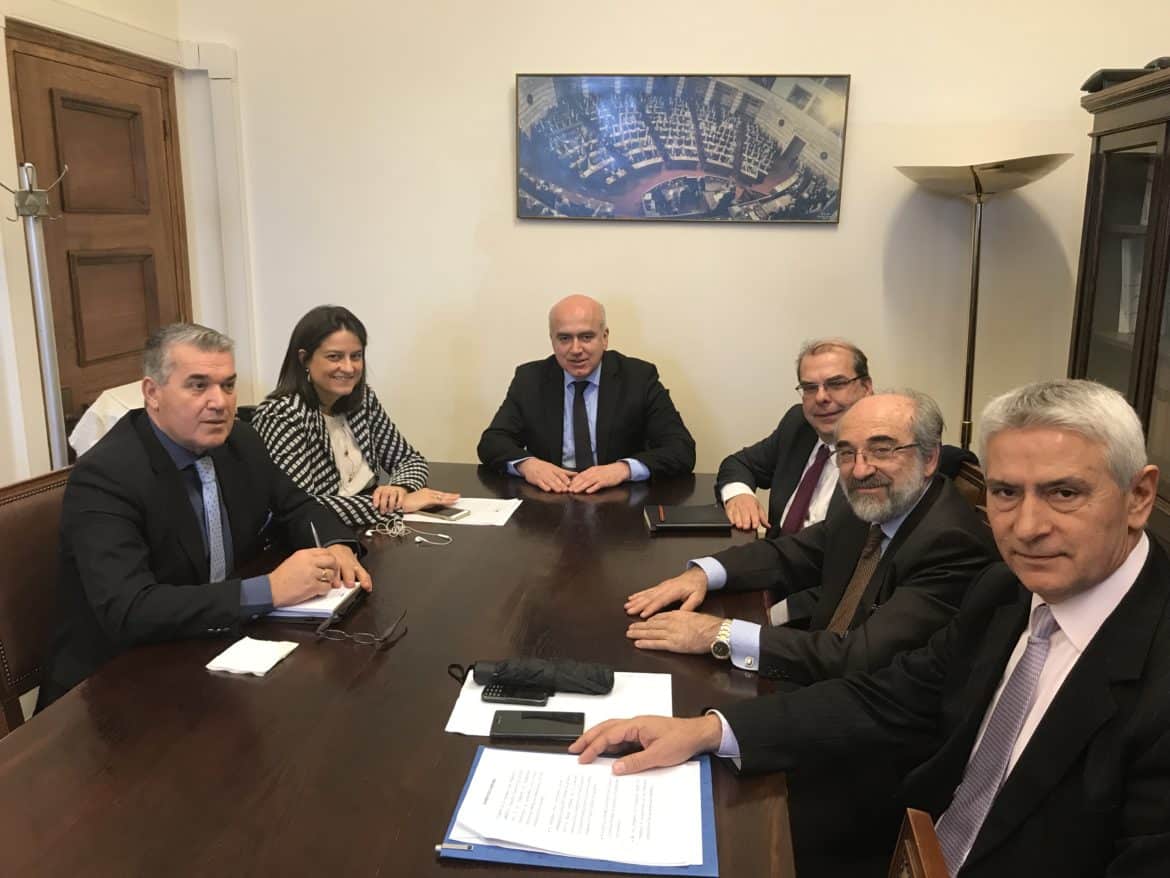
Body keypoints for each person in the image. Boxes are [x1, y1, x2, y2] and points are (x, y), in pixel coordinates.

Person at [574, 379, 1170, 877]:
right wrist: (709, 729)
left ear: (1139, 496)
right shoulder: (1007, 590)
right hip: (904, 836)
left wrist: (719, 637)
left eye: (1063, 493)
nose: (1028, 526)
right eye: (1007, 493)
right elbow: (892, 695)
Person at [37, 324, 370, 708]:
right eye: (198, 386)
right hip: (111, 686)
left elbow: (296, 505)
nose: (219, 402)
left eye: (228, 385)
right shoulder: (106, 476)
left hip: (209, 649)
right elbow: (130, 609)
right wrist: (270, 589)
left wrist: (336, 546)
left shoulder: (240, 441)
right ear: (152, 393)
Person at [625, 391, 996, 685]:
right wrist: (704, 573)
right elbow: (790, 554)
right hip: (824, 677)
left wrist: (719, 633)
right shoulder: (872, 504)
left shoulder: (951, 544)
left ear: (930, 458)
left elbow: (858, 657)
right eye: (846, 453)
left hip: (872, 717)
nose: (860, 469)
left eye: (882, 450)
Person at [252, 306, 458, 528]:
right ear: (304, 360)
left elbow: (409, 460)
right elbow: (300, 506)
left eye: (356, 356)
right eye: (334, 357)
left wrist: (399, 488)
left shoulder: (363, 400)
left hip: (370, 528)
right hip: (319, 537)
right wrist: (398, 505)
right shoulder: (282, 415)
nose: (349, 368)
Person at [477, 294, 695, 493]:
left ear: (605, 337)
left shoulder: (638, 378)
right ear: (552, 340)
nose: (575, 349)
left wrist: (623, 469)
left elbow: (681, 448)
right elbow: (492, 442)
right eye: (564, 338)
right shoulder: (530, 379)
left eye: (586, 337)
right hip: (551, 497)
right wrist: (528, 465)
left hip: (618, 498)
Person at [717, 338, 872, 534]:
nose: (821, 397)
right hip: (771, 549)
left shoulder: (881, 453)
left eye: (836, 384)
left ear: (866, 388)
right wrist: (740, 494)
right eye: (810, 387)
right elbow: (740, 463)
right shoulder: (799, 424)